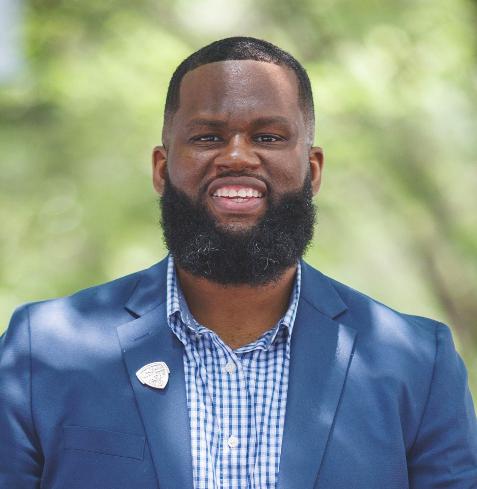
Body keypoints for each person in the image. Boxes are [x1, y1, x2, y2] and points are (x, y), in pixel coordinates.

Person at [0, 36, 476, 489]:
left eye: (267, 137)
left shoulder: (417, 363)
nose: (236, 157)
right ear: (163, 170)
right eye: (208, 137)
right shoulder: (42, 351)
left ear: (312, 171)